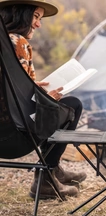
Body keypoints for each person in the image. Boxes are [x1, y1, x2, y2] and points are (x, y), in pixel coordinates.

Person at [0, 0, 87, 199]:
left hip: (3, 127)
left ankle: (54, 171)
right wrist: (46, 98)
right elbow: (17, 106)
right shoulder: (18, 42)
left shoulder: (4, 42)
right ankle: (47, 177)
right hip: (14, 135)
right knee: (72, 105)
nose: (39, 24)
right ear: (20, 14)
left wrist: (30, 87)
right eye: (36, 17)